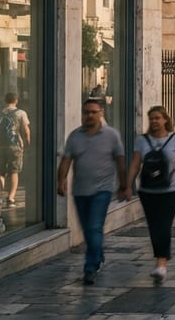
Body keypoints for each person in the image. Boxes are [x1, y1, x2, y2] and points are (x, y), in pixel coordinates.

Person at [57, 99, 127, 284]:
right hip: (80, 190)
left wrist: (124, 185)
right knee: (88, 229)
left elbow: (120, 160)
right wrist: (61, 180)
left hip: (102, 190)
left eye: (93, 112)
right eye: (86, 112)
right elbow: (66, 160)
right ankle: (98, 255)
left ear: (101, 113)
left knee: (94, 226)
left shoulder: (111, 135)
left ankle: (90, 268)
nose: (89, 115)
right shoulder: (75, 136)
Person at [127, 106, 175, 283]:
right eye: (152, 118)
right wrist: (127, 185)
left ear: (165, 119)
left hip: (171, 190)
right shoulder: (142, 141)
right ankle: (161, 258)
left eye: (158, 118)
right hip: (147, 191)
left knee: (164, 224)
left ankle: (161, 263)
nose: (155, 121)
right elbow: (135, 164)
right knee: (153, 226)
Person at [0, 91, 31, 206]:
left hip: (2, 145)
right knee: (14, 172)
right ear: (16, 101)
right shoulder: (21, 113)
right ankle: (11, 198)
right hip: (15, 145)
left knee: (1, 172)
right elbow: (26, 130)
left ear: (5, 100)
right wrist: (27, 143)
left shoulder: (0, 112)